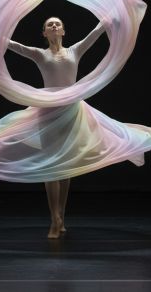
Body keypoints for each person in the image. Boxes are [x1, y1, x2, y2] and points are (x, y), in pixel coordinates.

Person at [7, 16, 107, 238]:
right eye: (49, 25)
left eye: (57, 24)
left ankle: (61, 214)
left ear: (63, 31)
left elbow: (96, 32)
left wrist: (113, 15)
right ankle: (54, 218)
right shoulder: (39, 54)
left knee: (65, 164)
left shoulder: (75, 50)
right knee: (51, 163)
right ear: (44, 33)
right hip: (48, 111)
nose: (54, 26)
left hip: (71, 111)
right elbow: (12, 45)